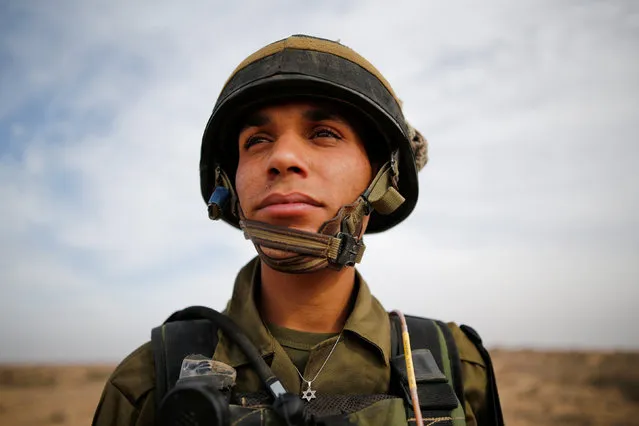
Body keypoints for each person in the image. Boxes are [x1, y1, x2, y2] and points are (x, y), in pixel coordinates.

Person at [92, 34, 503, 426]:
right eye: (256, 140)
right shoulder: (148, 381)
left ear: (383, 180)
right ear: (229, 185)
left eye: (324, 133)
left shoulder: (455, 367)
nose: (283, 157)